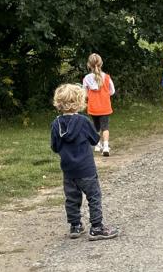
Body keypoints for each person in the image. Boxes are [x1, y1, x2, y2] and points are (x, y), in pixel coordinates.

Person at [50, 84, 119, 240]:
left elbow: (54, 147)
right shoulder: (83, 121)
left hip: (68, 169)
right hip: (86, 168)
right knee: (93, 196)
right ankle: (96, 227)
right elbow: (94, 139)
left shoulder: (56, 124)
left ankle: (75, 226)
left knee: (72, 197)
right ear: (79, 101)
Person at [82, 53, 116, 157]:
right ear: (101, 64)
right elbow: (112, 91)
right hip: (105, 106)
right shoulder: (107, 77)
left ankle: (97, 145)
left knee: (95, 126)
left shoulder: (86, 78)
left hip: (93, 107)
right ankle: (105, 147)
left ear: (89, 65)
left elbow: (85, 94)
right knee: (105, 127)